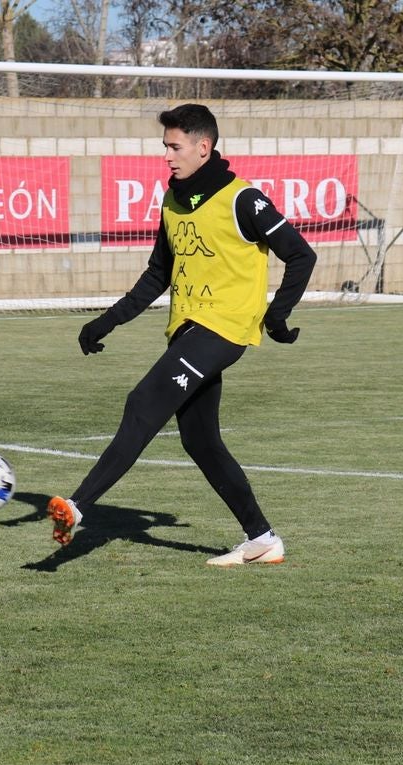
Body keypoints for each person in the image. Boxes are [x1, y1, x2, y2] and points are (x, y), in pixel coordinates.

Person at [46, 103, 315, 567]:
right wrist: (106, 321)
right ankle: (263, 538)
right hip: (188, 331)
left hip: (225, 328)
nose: (167, 156)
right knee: (200, 441)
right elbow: (157, 276)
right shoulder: (172, 202)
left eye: (175, 146)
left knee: (142, 402)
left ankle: (76, 506)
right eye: (165, 147)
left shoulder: (243, 200)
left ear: (203, 147)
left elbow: (301, 255)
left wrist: (276, 316)